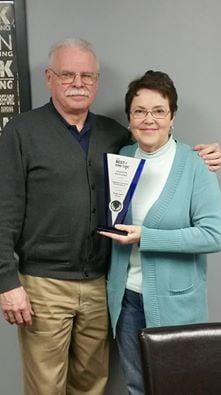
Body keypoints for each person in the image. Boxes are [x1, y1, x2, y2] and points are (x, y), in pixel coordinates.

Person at [0, 38, 220, 395]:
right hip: (61, 288)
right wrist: (7, 281)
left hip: (110, 290)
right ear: (49, 78)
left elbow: (167, 153)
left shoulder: (123, 140)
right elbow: (4, 210)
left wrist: (214, 153)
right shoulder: (28, 133)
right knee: (54, 387)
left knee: (100, 385)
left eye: (87, 75)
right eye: (68, 74)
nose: (78, 82)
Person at [99, 70, 221, 395]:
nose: (148, 119)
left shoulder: (197, 165)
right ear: (129, 118)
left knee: (179, 388)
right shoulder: (121, 159)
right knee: (137, 385)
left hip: (176, 303)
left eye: (158, 111)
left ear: (172, 116)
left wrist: (146, 237)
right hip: (125, 299)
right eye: (139, 111)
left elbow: (214, 234)